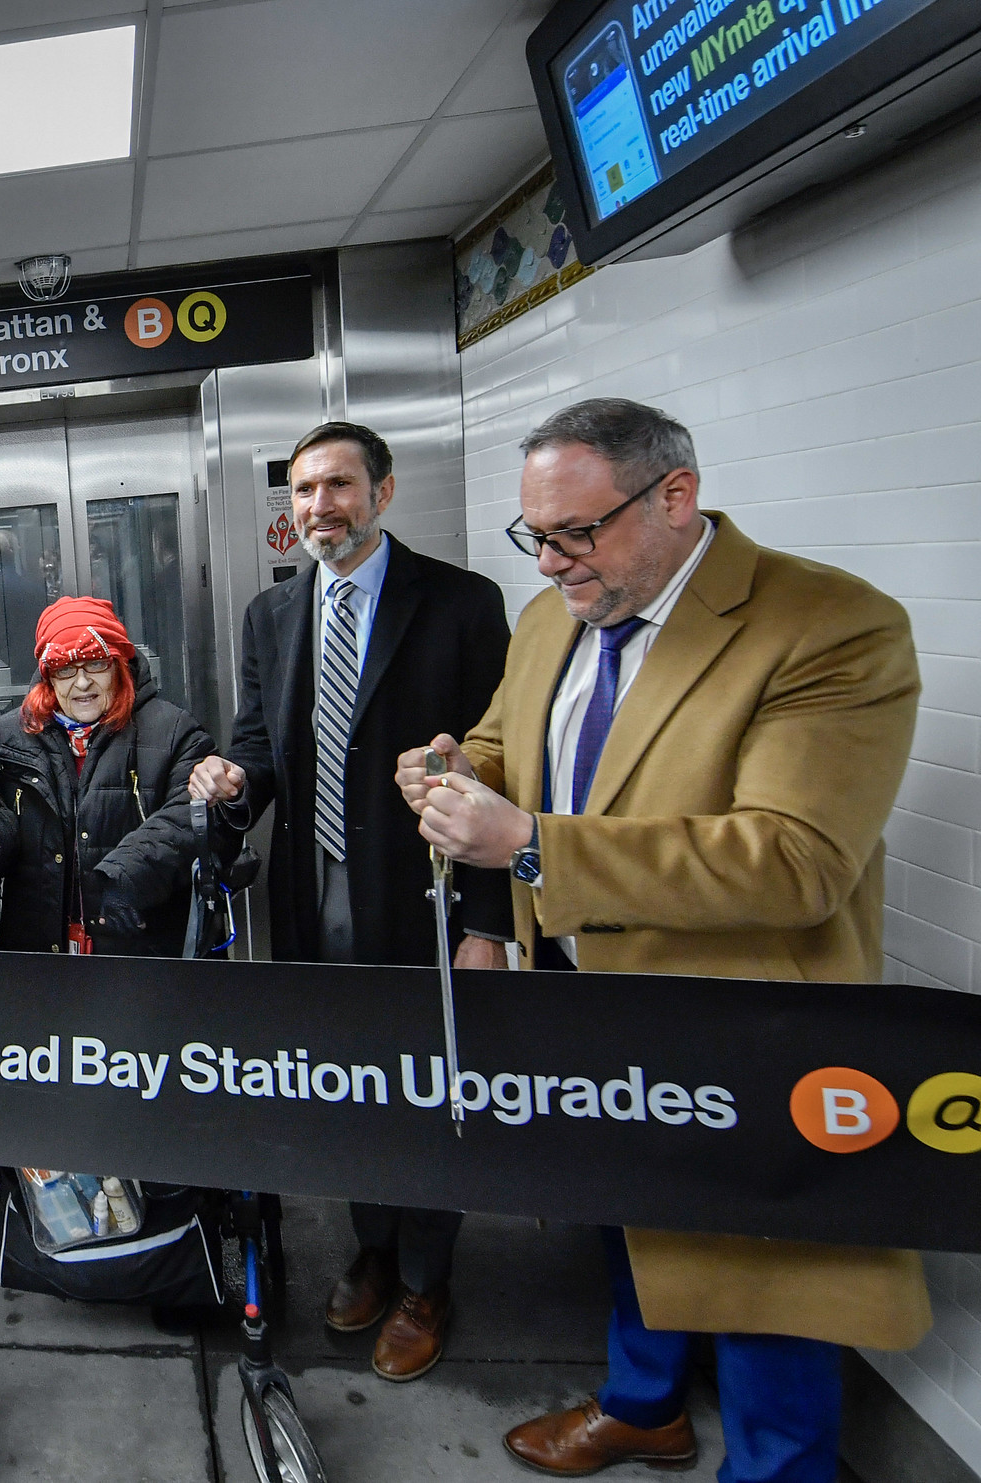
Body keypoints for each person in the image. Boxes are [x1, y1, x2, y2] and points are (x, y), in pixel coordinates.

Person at [397, 398, 929, 1480]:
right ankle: (643, 1405)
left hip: (740, 1023)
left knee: (765, 1281)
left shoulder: (827, 625)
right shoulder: (554, 615)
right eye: (534, 535)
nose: (549, 562)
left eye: (575, 533)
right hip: (589, 997)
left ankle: (778, 1467)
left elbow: (794, 859)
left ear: (673, 497)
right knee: (628, 1215)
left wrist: (531, 844)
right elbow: (503, 742)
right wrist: (454, 771)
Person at [187, 421, 512, 1381]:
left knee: (425, 1085)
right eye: (303, 489)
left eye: (337, 484)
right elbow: (260, 747)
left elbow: (499, 773)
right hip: (310, 890)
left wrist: (488, 923)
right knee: (348, 1080)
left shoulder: (460, 604)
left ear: (383, 491)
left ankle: (426, 1280)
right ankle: (374, 1245)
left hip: (421, 897)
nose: (318, 505)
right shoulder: (271, 614)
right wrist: (231, 782)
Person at [0, 595, 214, 957]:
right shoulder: (7, 738)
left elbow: (192, 817)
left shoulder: (173, 731)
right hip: (38, 954)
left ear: (119, 665)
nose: (81, 683)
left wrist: (127, 874)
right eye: (65, 669)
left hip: (142, 952)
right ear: (48, 677)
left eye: (96, 663)